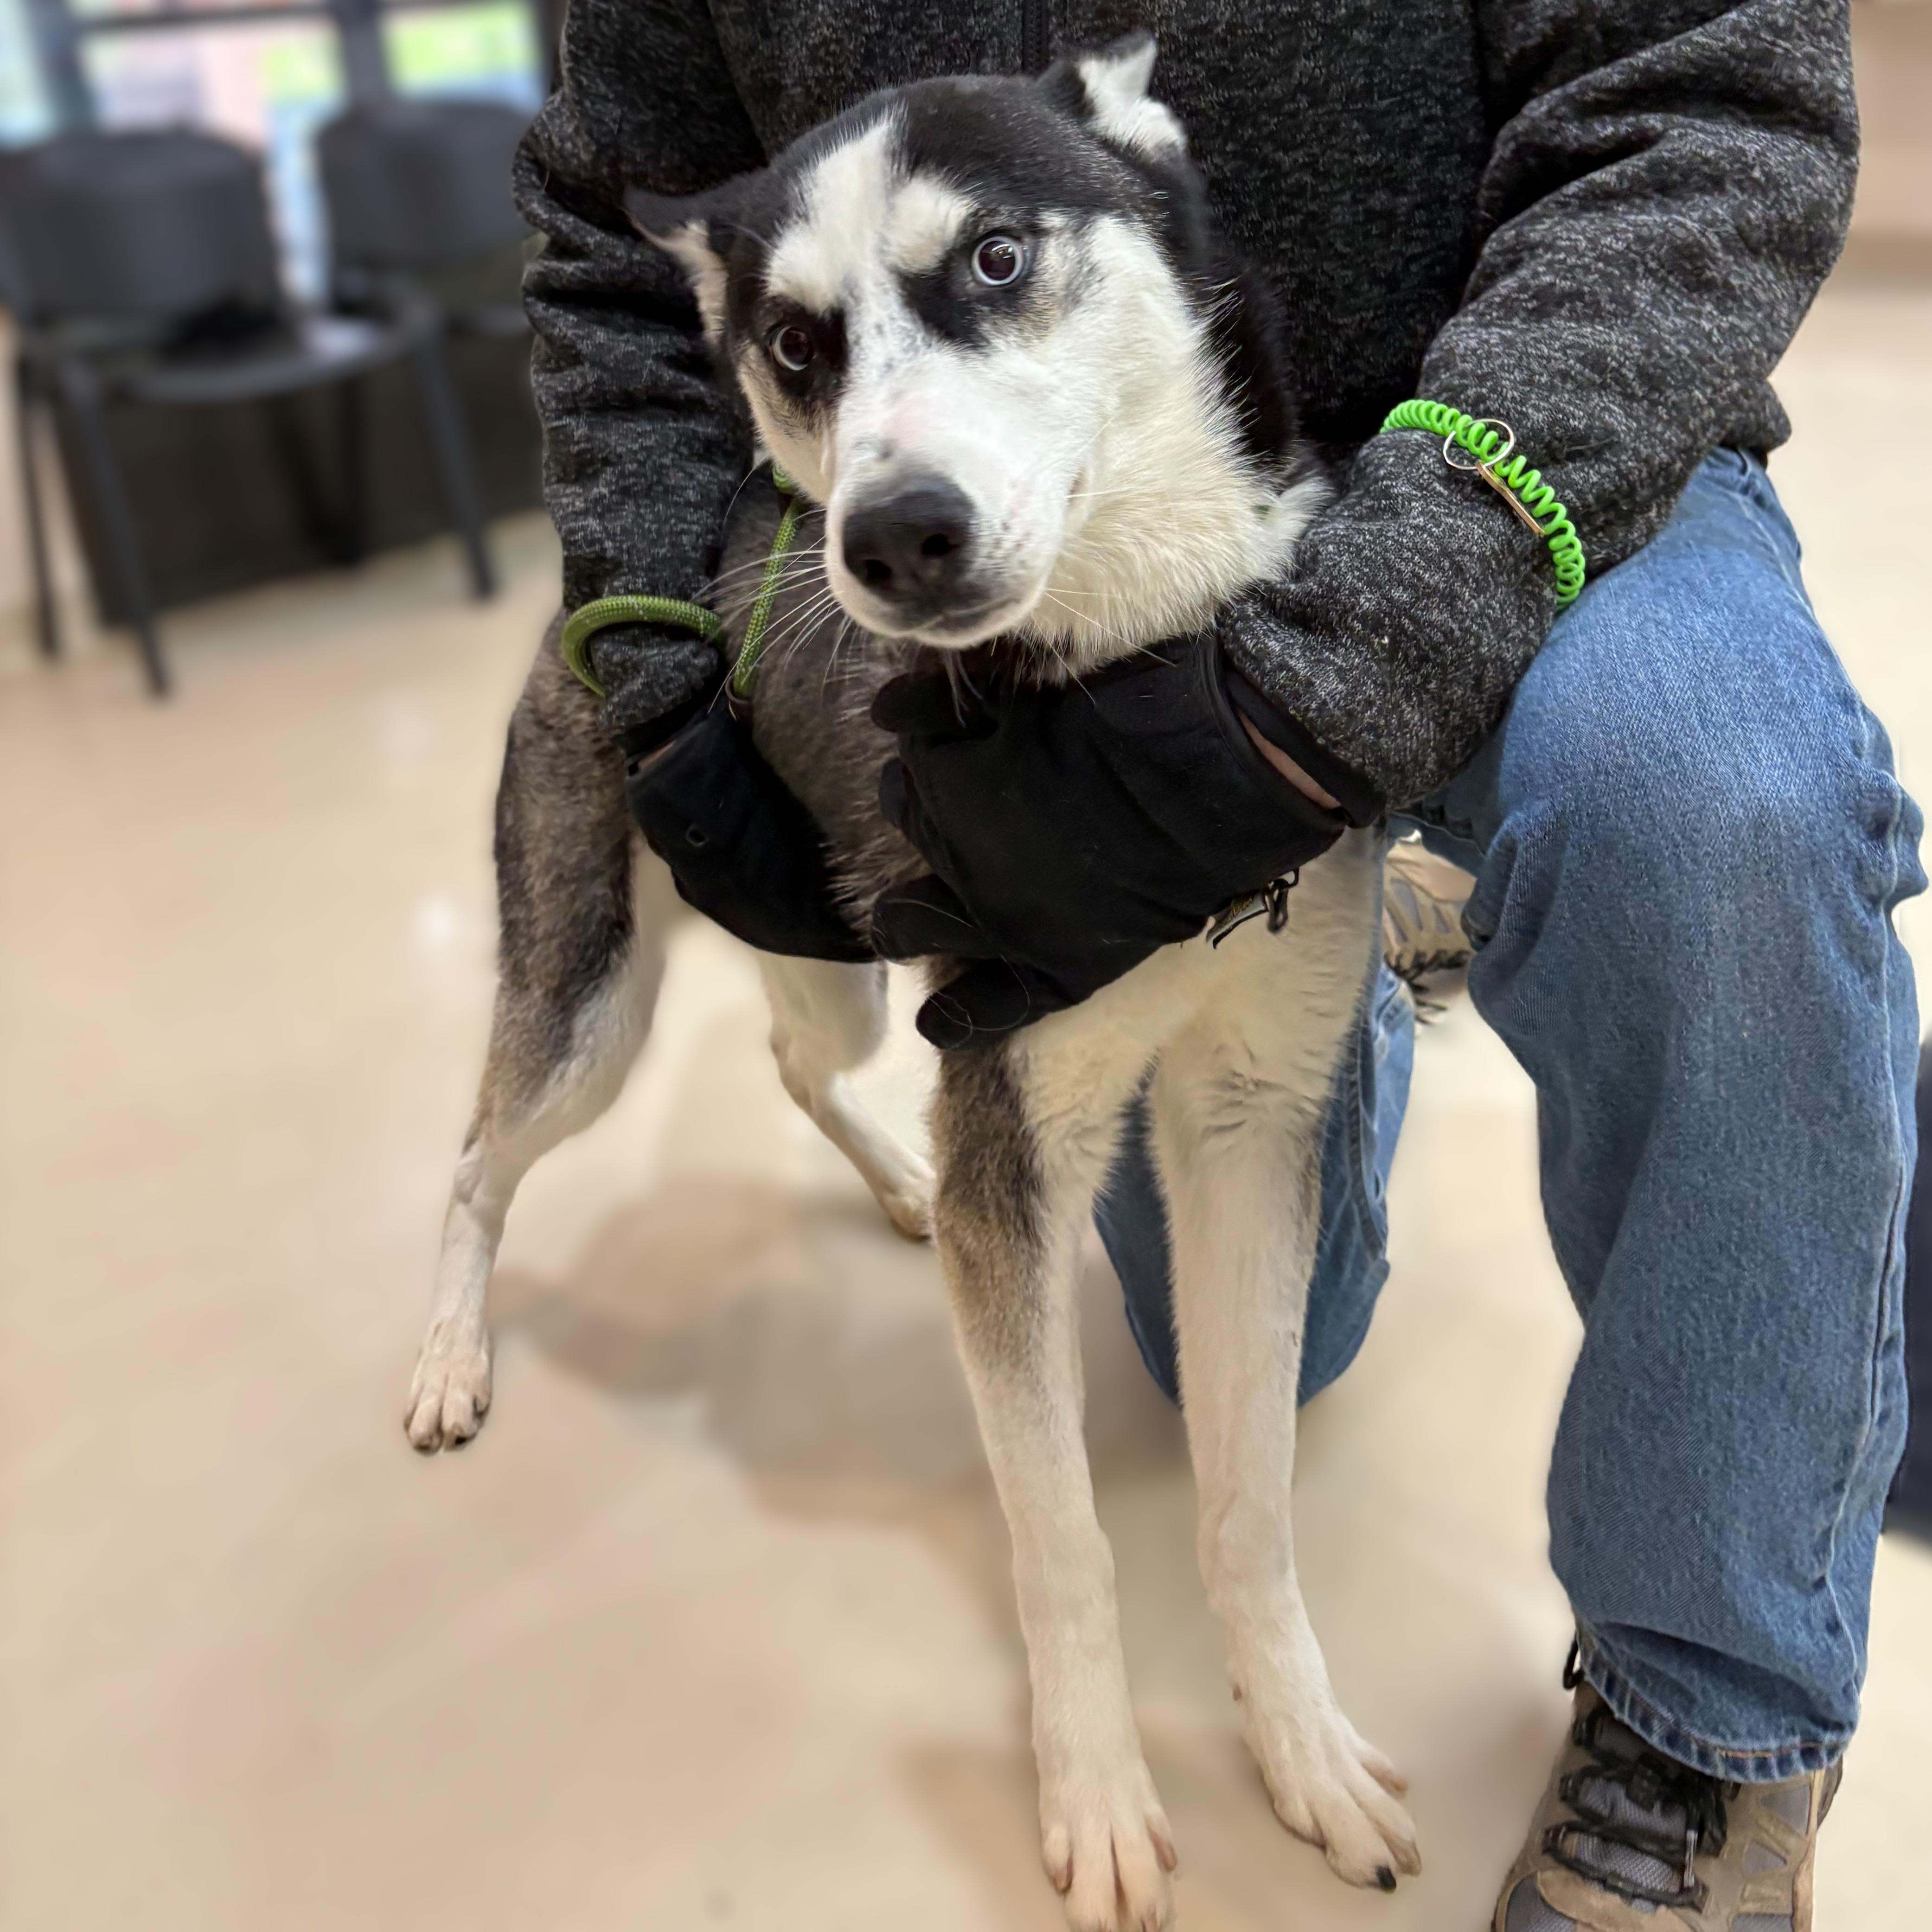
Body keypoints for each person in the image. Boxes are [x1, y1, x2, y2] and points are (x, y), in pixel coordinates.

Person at [513, 5, 1920, 1926]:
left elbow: (1701, 108)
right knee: (1255, 1341)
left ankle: (1712, 1717)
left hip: (1533, 432)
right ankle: (1343, 952)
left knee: (1711, 797)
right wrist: (660, 647)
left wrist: (1327, 688)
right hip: (1043, 613)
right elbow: (617, 236)